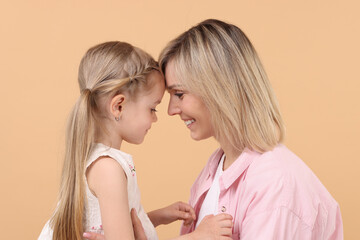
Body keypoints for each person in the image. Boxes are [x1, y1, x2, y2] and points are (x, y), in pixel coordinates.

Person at [84, 19, 343, 240]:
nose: (172, 110)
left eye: (179, 93)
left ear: (219, 90)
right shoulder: (215, 170)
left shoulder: (275, 185)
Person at [38, 41, 233, 240]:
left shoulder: (100, 161)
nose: (156, 118)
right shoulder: (108, 169)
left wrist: (158, 217)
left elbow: (113, 226)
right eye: (152, 108)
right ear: (119, 106)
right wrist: (198, 236)